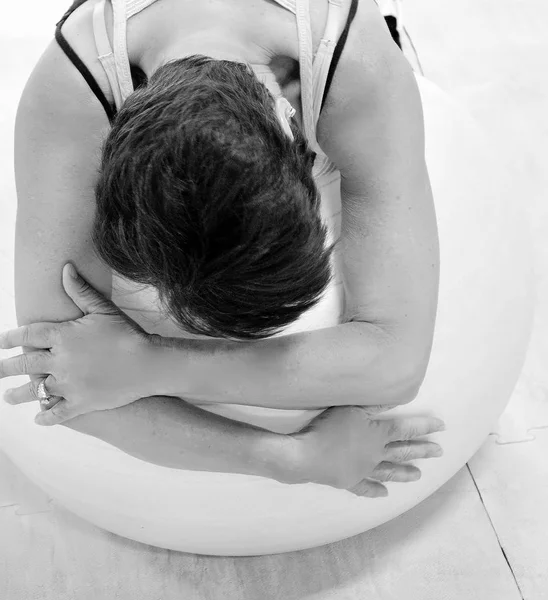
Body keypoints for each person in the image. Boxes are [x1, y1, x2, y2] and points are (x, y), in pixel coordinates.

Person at [2, 0, 443, 497]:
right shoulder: (73, 90)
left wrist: (149, 363)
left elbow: (397, 365)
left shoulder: (353, 59)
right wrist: (288, 458)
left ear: (286, 115)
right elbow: (56, 374)